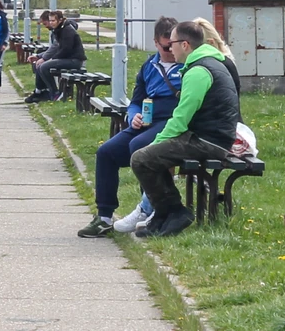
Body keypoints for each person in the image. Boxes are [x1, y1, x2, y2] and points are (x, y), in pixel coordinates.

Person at [130, 21, 241, 238]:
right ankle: (163, 216)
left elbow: (181, 118)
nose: (170, 48)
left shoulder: (198, 71)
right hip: (214, 138)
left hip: (208, 142)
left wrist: (157, 141)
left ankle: (174, 212)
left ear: (185, 44)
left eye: (172, 44)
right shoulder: (208, 62)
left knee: (141, 158)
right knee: (153, 156)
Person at [76, 16, 182, 238]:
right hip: (146, 119)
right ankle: (104, 216)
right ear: (156, 43)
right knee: (106, 153)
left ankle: (152, 209)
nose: (171, 51)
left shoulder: (187, 67)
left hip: (171, 121)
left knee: (139, 146)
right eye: (166, 47)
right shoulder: (149, 66)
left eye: (175, 45)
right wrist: (133, 117)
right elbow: (136, 101)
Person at [24, 11, 86, 103]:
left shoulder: (67, 30)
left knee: (44, 66)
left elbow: (65, 49)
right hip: (67, 59)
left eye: (53, 21)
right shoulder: (59, 30)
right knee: (40, 65)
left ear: (60, 20)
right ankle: (43, 91)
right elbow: (58, 49)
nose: (51, 23)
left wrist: (50, 59)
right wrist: (39, 57)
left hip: (74, 60)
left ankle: (55, 93)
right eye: (50, 21)